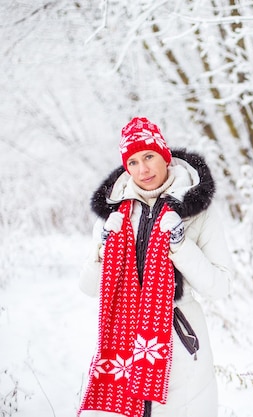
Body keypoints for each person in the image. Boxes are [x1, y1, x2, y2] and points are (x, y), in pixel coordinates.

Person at [77, 116, 234, 417]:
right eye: (133, 162)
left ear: (164, 154)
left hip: (179, 346)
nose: (143, 169)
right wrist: (103, 249)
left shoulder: (198, 212)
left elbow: (220, 286)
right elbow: (88, 287)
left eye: (148, 156)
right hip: (122, 346)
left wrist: (179, 242)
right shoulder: (114, 215)